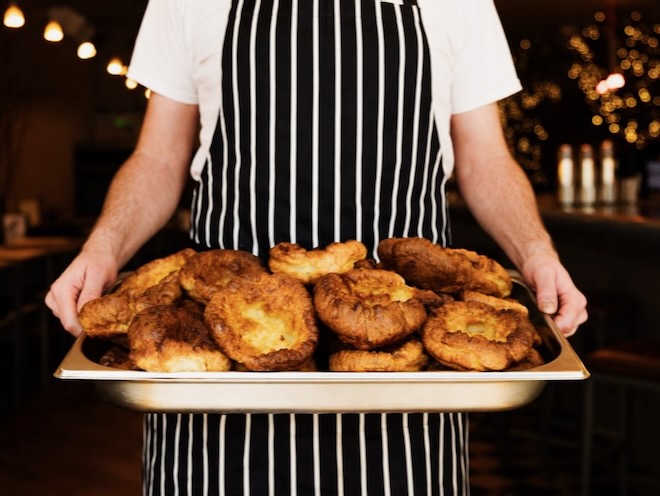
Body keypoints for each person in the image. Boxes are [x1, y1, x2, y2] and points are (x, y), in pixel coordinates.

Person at [46, 0, 588, 494]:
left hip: (401, 386)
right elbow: (158, 159)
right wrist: (103, 249)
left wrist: (536, 252)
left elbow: (486, 161)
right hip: (220, 371)